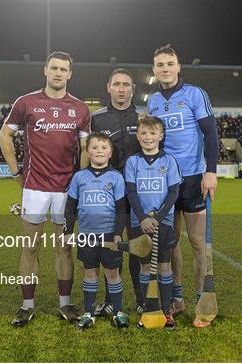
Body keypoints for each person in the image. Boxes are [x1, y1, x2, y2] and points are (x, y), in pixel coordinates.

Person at [0, 51, 91, 327]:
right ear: (45, 71)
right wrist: (15, 171)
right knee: (30, 247)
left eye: (64, 69)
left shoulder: (81, 108)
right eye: (54, 68)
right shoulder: (26, 102)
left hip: (66, 190)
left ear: (70, 74)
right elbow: (5, 134)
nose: (58, 73)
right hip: (35, 188)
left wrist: (80, 180)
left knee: (64, 248)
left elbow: (86, 147)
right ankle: (27, 306)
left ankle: (65, 304)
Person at [148, 44, 219, 327]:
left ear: (178, 67)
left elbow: (210, 132)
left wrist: (210, 171)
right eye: (160, 64)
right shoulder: (152, 101)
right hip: (165, 181)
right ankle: (177, 298)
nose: (165, 68)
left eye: (169, 63)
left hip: (192, 178)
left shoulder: (194, 94)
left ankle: (204, 300)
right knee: (170, 241)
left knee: (198, 243)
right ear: (154, 71)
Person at [90, 68, 144, 316]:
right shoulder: (97, 118)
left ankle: (143, 301)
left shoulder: (144, 117)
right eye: (117, 84)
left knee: (137, 248)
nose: (121, 89)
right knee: (112, 247)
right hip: (108, 195)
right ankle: (111, 301)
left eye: (126, 84)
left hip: (138, 194)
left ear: (133, 88)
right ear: (108, 87)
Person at [64, 133, 128, 330]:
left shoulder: (116, 177)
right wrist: (68, 231)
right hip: (86, 234)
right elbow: (70, 206)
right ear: (87, 152)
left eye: (103, 147)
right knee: (89, 272)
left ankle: (118, 311)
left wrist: (118, 233)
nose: (99, 150)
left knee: (112, 273)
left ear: (110, 152)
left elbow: (121, 209)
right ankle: (88, 313)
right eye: (94, 147)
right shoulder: (79, 177)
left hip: (109, 234)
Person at [124, 116, 182, 329]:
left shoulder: (169, 161)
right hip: (139, 223)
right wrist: (142, 219)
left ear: (161, 135)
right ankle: (148, 308)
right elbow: (131, 192)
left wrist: (156, 219)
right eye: (144, 133)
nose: (148, 137)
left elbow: (174, 192)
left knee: (165, 267)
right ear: (138, 137)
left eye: (153, 132)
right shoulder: (133, 162)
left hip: (162, 222)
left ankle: (167, 311)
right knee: (146, 266)